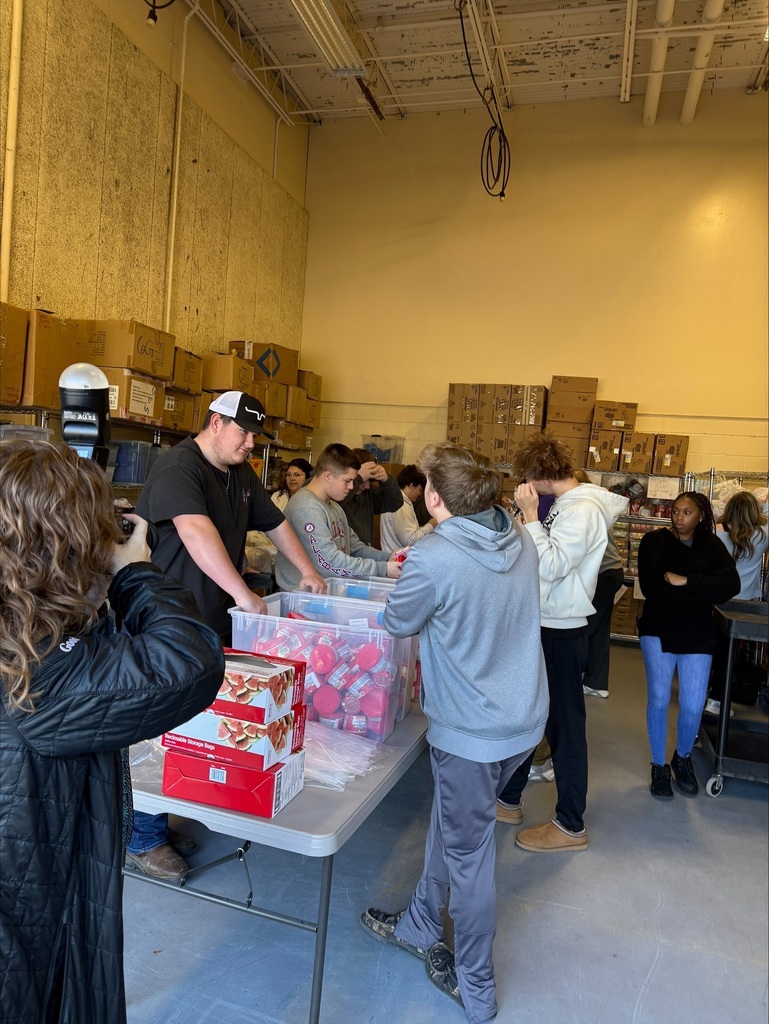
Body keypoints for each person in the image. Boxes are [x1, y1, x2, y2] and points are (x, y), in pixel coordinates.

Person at [0, 439, 224, 1024]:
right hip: (25, 921)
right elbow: (188, 661)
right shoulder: (39, 677)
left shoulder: (23, 623)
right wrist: (135, 571)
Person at [360, 442, 548, 1024]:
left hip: (473, 733)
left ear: (434, 497)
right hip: (522, 723)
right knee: (454, 821)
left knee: (469, 856)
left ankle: (476, 986)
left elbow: (398, 622)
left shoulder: (435, 555)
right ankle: (420, 923)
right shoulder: (518, 538)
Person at [128, 391, 325, 879]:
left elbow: (276, 523)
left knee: (189, 719)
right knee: (153, 721)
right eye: (244, 432)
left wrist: (308, 573)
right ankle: (142, 835)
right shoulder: (180, 466)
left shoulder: (239, 474)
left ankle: (160, 813)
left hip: (211, 618)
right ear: (216, 422)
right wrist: (244, 593)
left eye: (256, 436)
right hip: (164, 618)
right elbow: (195, 530)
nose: (251, 443)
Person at [496, 432, 628, 852]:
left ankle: (571, 824)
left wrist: (532, 517)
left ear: (537, 476)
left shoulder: (584, 510)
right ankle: (509, 797)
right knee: (532, 712)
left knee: (565, 727)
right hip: (545, 622)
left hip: (562, 628)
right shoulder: (569, 506)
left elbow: (550, 566)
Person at [637, 491, 740, 799]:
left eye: (687, 512)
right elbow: (652, 588)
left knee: (694, 705)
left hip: (697, 632)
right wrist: (703, 588)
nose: (679, 517)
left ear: (700, 516)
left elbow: (730, 585)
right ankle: (658, 766)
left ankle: (682, 759)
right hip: (658, 629)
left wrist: (687, 581)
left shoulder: (711, 544)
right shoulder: (653, 542)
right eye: (676, 511)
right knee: (658, 699)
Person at [275, 443, 403, 589]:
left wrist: (388, 558)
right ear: (328, 476)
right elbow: (330, 563)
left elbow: (354, 547)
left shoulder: (333, 506)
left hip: (327, 594)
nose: (351, 487)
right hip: (302, 598)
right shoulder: (306, 508)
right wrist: (383, 568)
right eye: (347, 481)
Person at [572, 469, 626, 699]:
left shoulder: (585, 508)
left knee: (583, 628)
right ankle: (596, 683)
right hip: (612, 572)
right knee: (599, 630)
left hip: (603, 575)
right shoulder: (596, 506)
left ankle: (575, 678)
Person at [244, 457, 313, 571]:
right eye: (289, 475)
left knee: (253, 554)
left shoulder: (308, 501)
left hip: (287, 546)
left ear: (307, 477)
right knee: (245, 540)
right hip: (267, 538)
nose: (292, 479)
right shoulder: (278, 495)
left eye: (297, 475)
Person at [340, 447, 403, 546]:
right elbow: (336, 502)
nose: (367, 486)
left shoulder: (368, 493)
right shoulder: (338, 495)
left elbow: (396, 502)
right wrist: (358, 479)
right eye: (364, 480)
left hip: (365, 555)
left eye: (370, 481)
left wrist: (386, 479)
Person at [715, 490, 768, 600]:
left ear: (729, 509)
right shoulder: (763, 535)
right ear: (755, 511)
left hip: (719, 595)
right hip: (748, 598)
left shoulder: (713, 532)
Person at [379, 464, 437, 550]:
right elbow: (410, 540)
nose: (420, 494)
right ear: (411, 485)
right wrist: (430, 525)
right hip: (398, 559)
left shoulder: (393, 499)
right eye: (420, 490)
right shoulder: (401, 505)